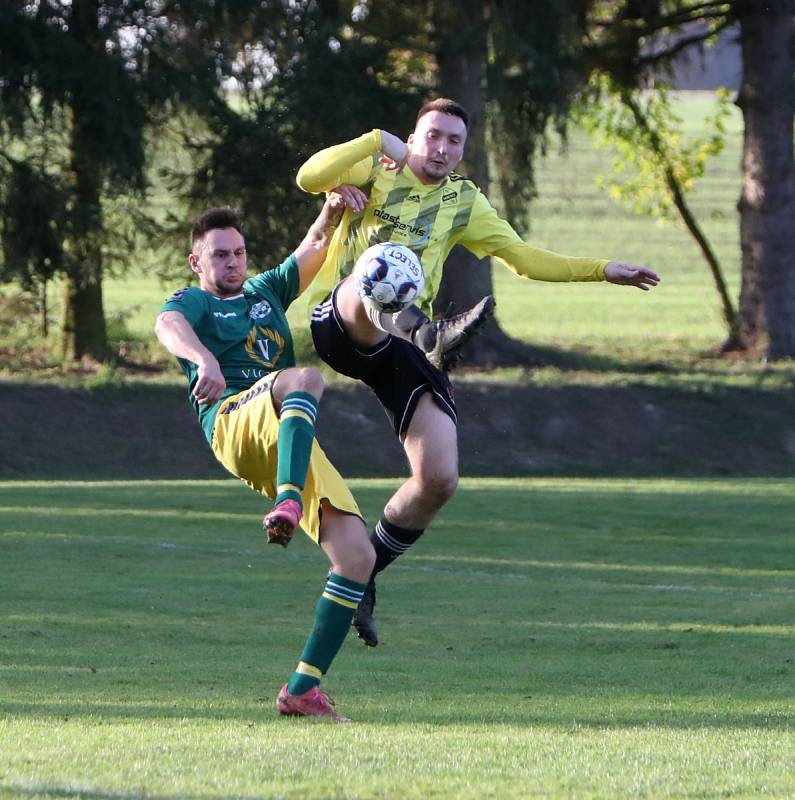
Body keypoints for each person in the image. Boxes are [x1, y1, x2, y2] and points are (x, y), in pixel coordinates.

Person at [296, 98, 661, 648]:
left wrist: (602, 271)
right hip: (341, 320)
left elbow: (524, 257)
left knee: (439, 479)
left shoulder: (462, 201)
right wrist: (375, 139)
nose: (443, 149)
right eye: (434, 136)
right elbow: (308, 177)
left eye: (455, 142)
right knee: (380, 269)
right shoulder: (375, 168)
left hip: (401, 342)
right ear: (412, 138)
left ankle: (363, 571)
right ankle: (428, 334)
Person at [154, 193, 375, 723]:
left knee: (357, 557)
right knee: (307, 378)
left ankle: (302, 690)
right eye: (219, 255)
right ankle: (289, 502)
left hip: (289, 433)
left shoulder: (265, 291)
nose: (232, 263)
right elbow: (167, 325)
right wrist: (202, 358)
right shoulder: (195, 303)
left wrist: (334, 205)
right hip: (234, 421)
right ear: (196, 262)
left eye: (239, 253)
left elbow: (317, 243)